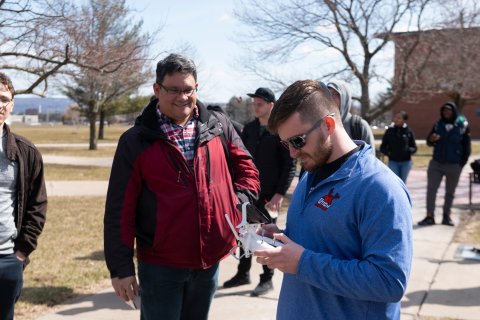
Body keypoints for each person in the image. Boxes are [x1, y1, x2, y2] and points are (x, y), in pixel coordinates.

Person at [104, 53, 260, 320]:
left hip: (210, 259)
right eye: (173, 90)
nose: (182, 97)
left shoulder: (219, 126)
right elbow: (120, 208)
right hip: (160, 264)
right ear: (157, 89)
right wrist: (121, 268)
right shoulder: (135, 140)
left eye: (188, 90)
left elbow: (248, 170)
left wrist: (234, 205)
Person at [254, 80, 413, 320]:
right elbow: (325, 241)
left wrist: (303, 262)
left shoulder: (380, 188)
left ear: (328, 125)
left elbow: (389, 281)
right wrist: (281, 238)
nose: (292, 153)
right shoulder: (310, 175)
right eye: (286, 144)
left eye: (297, 141)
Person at [223, 87, 296, 296]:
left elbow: (289, 165)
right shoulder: (250, 129)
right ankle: (242, 273)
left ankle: (267, 279)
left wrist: (279, 194)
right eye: (253, 103)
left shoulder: (280, 130)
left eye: (260, 104)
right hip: (248, 194)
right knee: (244, 234)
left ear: (271, 105)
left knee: (266, 238)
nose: (255, 106)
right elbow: (240, 160)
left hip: (269, 196)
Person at [0, 72, 47, 320]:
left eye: (4, 98)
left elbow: (37, 205)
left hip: (7, 260)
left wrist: (21, 253)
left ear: (11, 105)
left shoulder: (25, 152)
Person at [418, 101, 471, 227]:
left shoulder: (462, 126)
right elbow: (429, 142)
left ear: (454, 112)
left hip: (454, 164)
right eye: (444, 110)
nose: (446, 113)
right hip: (437, 163)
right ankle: (429, 216)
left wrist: (460, 164)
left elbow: (467, 147)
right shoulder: (438, 125)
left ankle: (446, 216)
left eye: (449, 110)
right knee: (431, 190)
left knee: (450, 192)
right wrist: (431, 139)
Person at [380, 111, 417, 182]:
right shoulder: (389, 131)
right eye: (395, 117)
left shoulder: (408, 131)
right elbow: (383, 147)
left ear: (404, 120)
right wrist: (389, 153)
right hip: (393, 162)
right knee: (395, 182)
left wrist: (408, 151)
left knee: (403, 183)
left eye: (399, 118)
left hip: (406, 163)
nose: (396, 119)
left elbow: (414, 147)